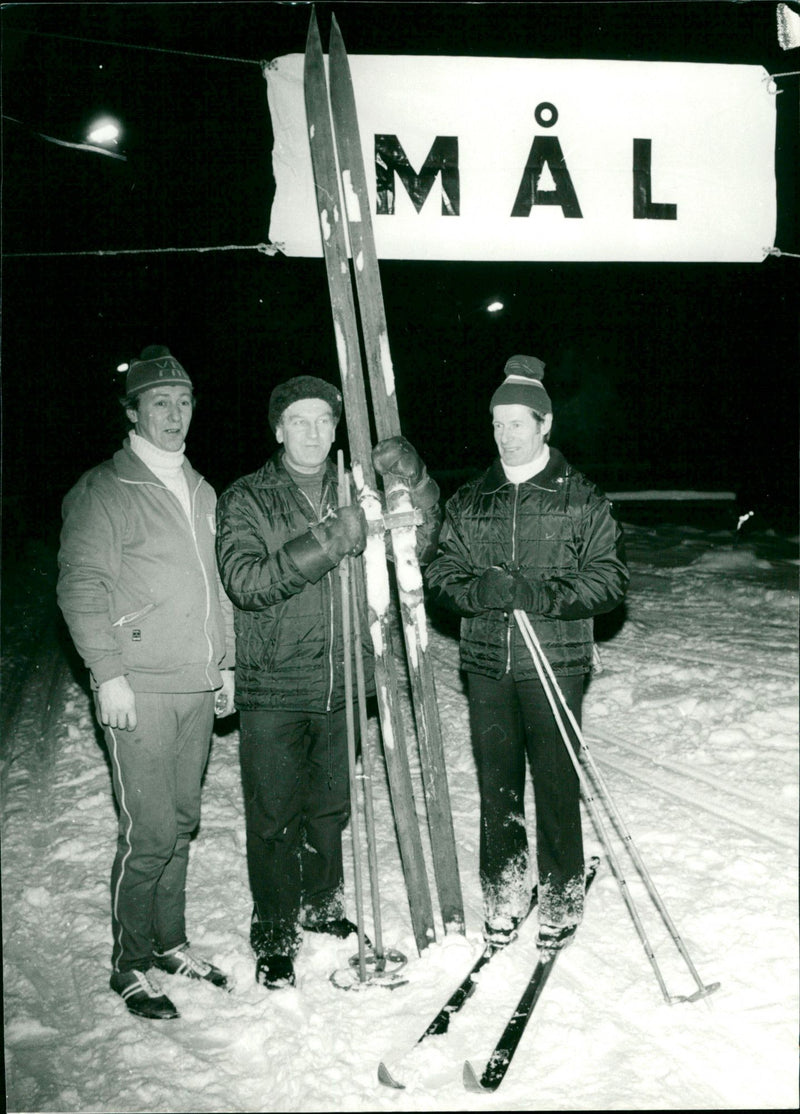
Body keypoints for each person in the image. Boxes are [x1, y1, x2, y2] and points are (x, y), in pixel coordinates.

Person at [215, 374, 441, 990]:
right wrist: (327, 539)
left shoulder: (357, 488)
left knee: (330, 808)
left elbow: (424, 535)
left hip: (343, 682)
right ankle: (276, 935)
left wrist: (416, 480)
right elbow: (247, 582)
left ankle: (321, 905)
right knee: (273, 817)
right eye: (300, 421)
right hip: (275, 684)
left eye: (325, 421)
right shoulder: (248, 498)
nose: (314, 433)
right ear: (279, 428)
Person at [425, 355, 629, 953]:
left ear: (545, 425)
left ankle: (562, 895)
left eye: (517, 422)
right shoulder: (473, 499)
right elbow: (442, 571)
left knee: (557, 782)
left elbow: (609, 581)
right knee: (497, 785)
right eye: (497, 423)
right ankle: (506, 891)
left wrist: (539, 594)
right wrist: (475, 592)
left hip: (557, 663)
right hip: (488, 664)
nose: (505, 434)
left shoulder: (581, 498)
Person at [57, 345, 237, 1020]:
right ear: (133, 411)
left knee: (183, 821)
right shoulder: (104, 489)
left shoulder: (200, 487)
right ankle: (129, 962)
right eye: (159, 402)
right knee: (150, 829)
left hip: (194, 682)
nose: (174, 414)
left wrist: (225, 662)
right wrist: (108, 676)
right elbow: (81, 585)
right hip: (139, 686)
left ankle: (170, 940)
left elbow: (216, 585)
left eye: (184, 401)